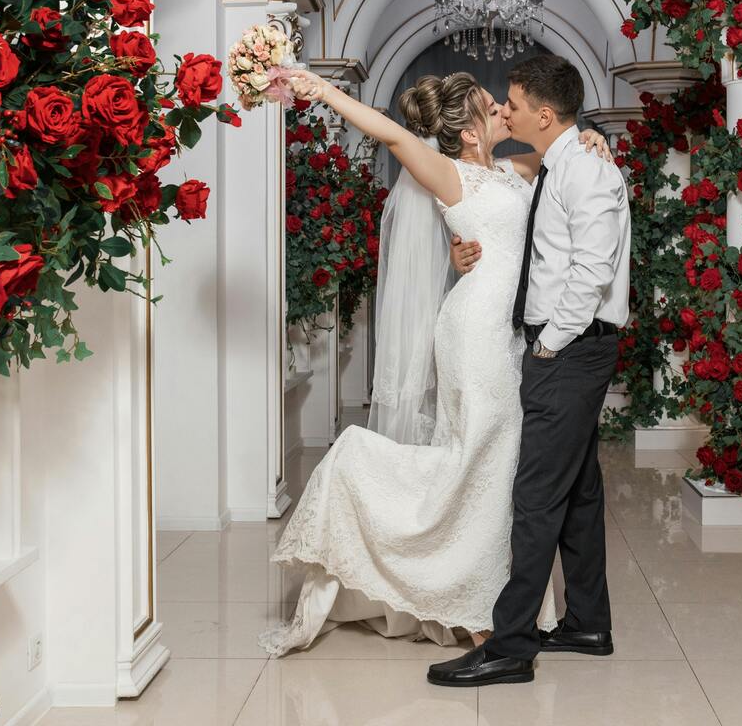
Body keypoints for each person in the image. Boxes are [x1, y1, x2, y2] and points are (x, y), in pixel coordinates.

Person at [258, 68, 611, 655]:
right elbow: (394, 137)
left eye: (505, 103)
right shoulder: (451, 174)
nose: (503, 108)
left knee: (497, 464)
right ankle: (478, 607)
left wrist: (592, 134)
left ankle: (484, 599)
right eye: (490, 105)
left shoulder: (521, 169)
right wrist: (323, 91)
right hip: (474, 331)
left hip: (513, 333)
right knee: (482, 455)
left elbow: (563, 153)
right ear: (469, 133)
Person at [427, 54, 631, 687]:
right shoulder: (559, 162)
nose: (502, 110)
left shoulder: (585, 171)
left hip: (569, 348)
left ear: (544, 115)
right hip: (565, 344)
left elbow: (592, 273)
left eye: (511, 103)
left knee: (535, 494)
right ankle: (588, 623)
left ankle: (511, 644)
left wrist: (551, 344)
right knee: (577, 491)